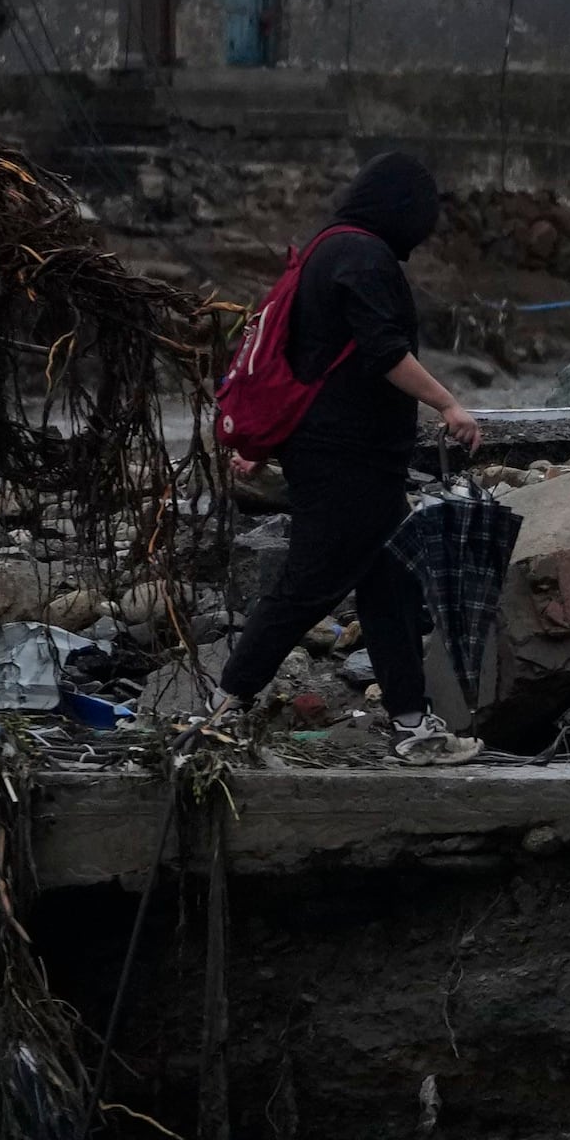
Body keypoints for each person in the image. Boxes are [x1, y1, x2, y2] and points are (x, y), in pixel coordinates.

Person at [214, 152, 487, 754]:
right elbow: (383, 351)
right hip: (347, 460)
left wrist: (270, 442)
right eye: (423, 214)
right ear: (401, 210)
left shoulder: (324, 251)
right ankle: (224, 706)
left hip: (346, 454)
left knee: (390, 587)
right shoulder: (362, 256)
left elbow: (305, 358)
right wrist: (448, 405)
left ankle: (414, 727)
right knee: (308, 585)